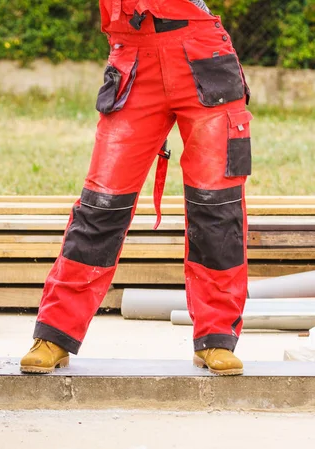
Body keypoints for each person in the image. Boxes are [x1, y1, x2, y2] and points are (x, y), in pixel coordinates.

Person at [20, 0, 252, 376]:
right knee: (101, 204)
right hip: (133, 62)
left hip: (204, 57)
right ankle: (56, 333)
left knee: (217, 206)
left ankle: (217, 337)